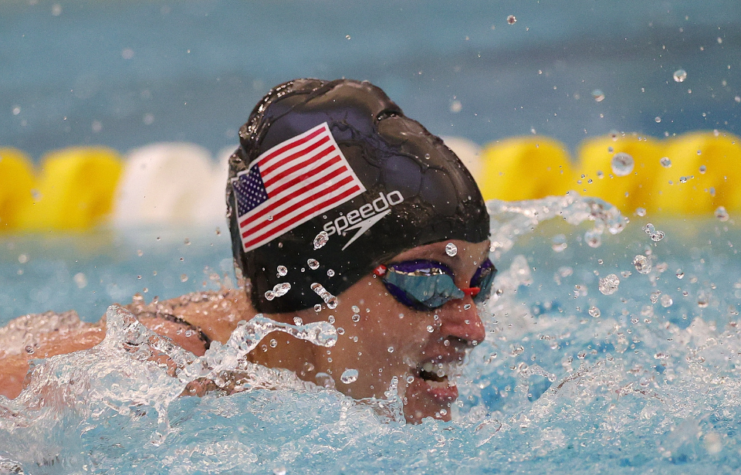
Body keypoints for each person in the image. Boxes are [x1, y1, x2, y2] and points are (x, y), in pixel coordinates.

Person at [0, 79, 495, 424]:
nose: (474, 329)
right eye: (429, 282)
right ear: (312, 286)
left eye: (481, 280)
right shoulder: (160, 368)